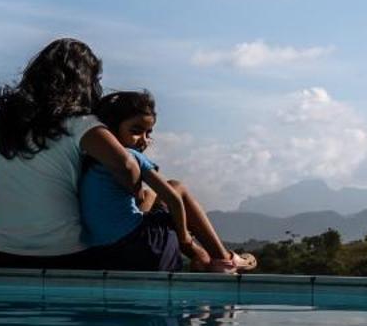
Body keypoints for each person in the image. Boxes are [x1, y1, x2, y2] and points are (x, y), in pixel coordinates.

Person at [0, 38, 182, 271]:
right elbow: (126, 166)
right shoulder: (80, 124)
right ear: (83, 82)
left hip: (7, 256)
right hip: (66, 256)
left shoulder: (2, 129)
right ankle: (208, 258)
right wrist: (138, 196)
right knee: (163, 196)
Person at [81, 90, 256, 273]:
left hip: (107, 255)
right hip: (143, 248)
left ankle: (202, 257)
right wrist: (185, 238)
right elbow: (173, 198)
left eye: (148, 133)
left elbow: (140, 204)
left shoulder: (90, 162)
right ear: (112, 130)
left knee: (150, 195)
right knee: (175, 186)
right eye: (136, 131)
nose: (144, 140)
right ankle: (224, 259)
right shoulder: (129, 156)